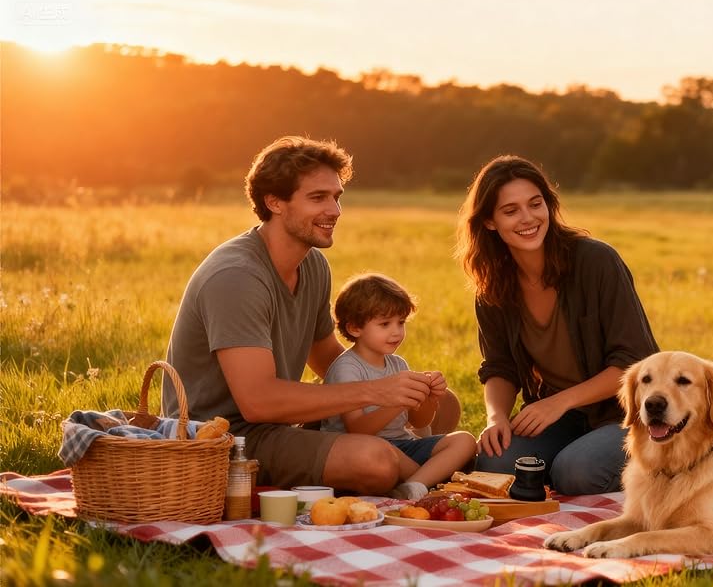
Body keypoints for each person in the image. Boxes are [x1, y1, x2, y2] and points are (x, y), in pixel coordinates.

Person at [162, 136, 462, 494]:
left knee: (444, 404)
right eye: (318, 198)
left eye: (336, 197)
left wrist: (404, 386)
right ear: (274, 202)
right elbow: (258, 402)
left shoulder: (313, 265)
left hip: (278, 424)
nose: (335, 211)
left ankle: (423, 471)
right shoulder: (237, 276)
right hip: (226, 437)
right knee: (374, 461)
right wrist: (374, 392)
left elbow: (328, 359)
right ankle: (433, 478)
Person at [457, 155, 657, 495]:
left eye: (536, 204)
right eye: (511, 210)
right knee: (495, 463)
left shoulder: (596, 262)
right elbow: (499, 367)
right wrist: (497, 418)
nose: (528, 218)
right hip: (561, 418)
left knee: (574, 472)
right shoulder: (493, 288)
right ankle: (568, 457)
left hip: (625, 413)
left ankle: (663, 463)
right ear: (490, 222)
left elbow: (634, 363)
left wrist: (558, 402)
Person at [320, 273, 478, 501]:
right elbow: (358, 430)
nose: (396, 332)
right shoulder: (347, 368)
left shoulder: (398, 364)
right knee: (387, 453)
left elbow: (419, 422)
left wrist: (428, 397)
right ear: (355, 328)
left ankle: (414, 486)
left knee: (464, 441)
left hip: (403, 444)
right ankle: (432, 483)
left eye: (401, 322)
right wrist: (396, 401)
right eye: (385, 324)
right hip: (362, 451)